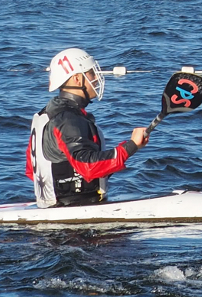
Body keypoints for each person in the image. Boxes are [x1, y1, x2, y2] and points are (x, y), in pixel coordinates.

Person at [28, 47, 150, 207]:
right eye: (91, 73)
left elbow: (32, 171)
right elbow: (87, 167)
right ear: (77, 79)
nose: (96, 78)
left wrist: (128, 149)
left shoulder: (46, 115)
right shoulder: (69, 119)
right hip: (72, 216)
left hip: (53, 208)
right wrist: (130, 147)